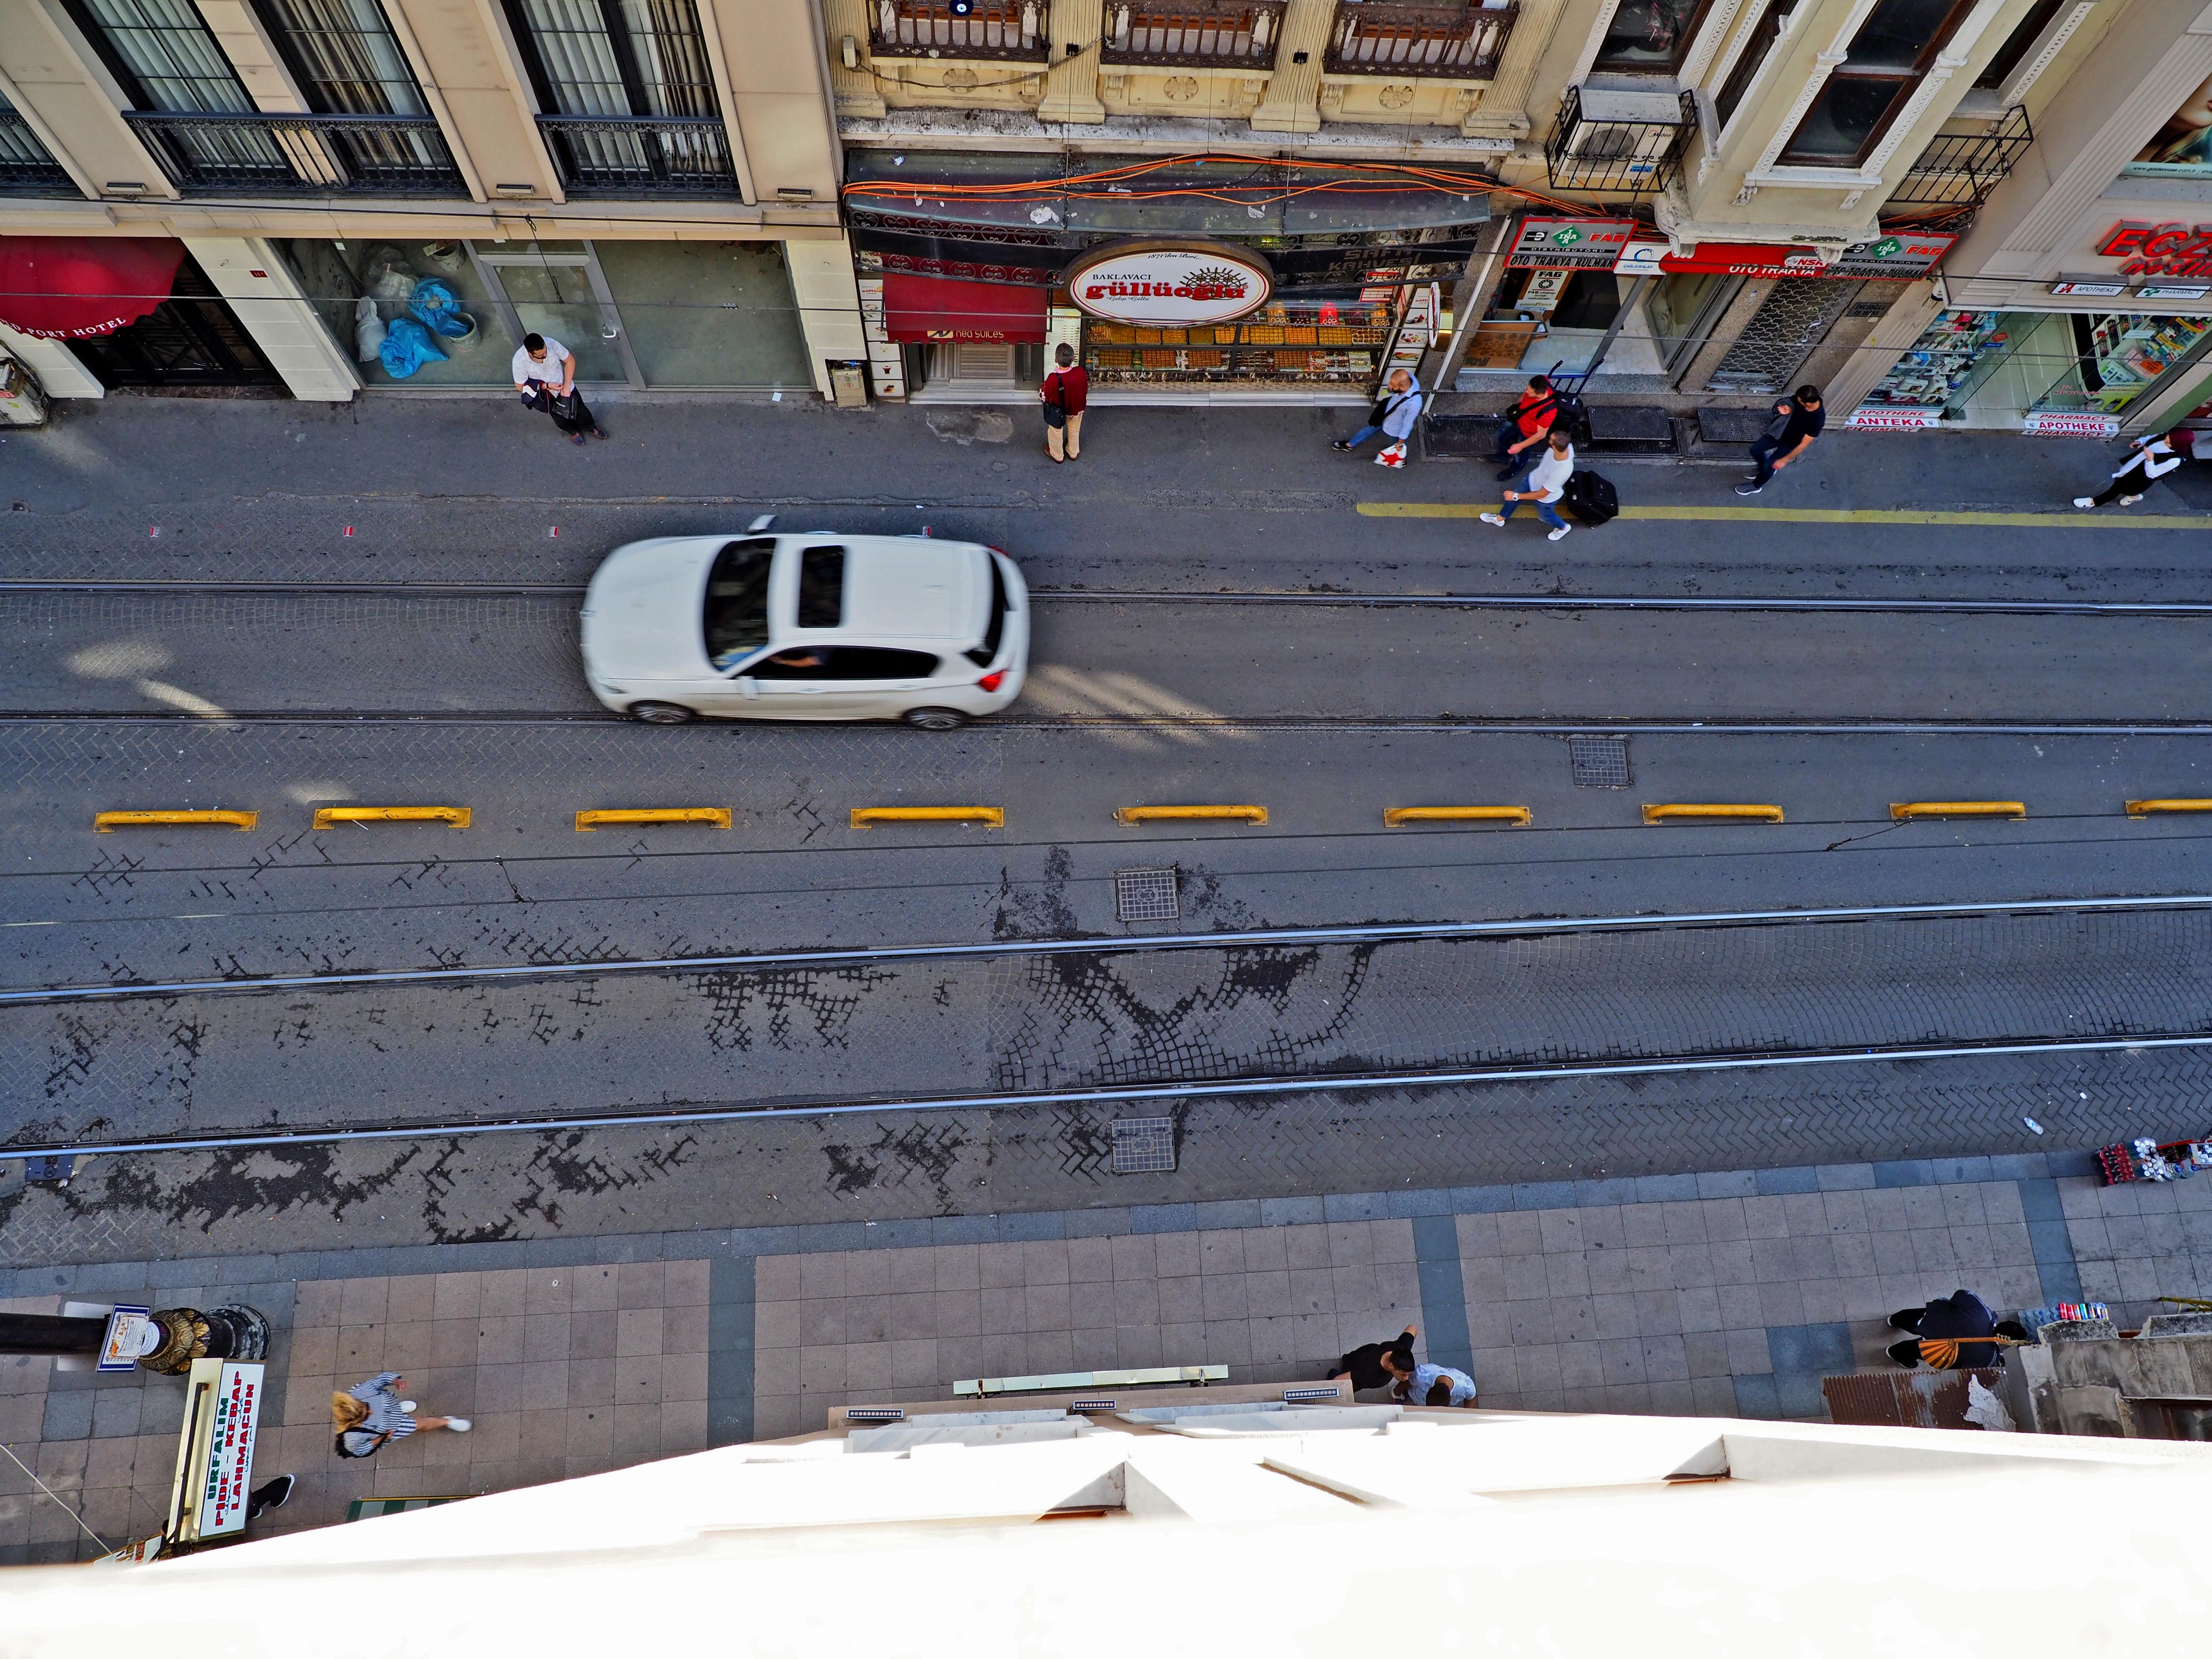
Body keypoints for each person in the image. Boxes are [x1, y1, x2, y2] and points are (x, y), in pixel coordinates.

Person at [333, 1371, 471, 1459]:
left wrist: (396, 1381)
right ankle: (447, 1422)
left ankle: (399, 1409)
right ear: (353, 1423)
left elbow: (380, 1380)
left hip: (389, 1407)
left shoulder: (362, 1392)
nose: (371, 1411)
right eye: (366, 1416)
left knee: (393, 1409)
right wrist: (381, 1439)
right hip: (391, 1428)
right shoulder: (352, 1436)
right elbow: (358, 1450)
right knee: (420, 1424)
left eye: (367, 1406)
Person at [1887, 1290, 2030, 1370]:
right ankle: (1893, 1353)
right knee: (1909, 1351)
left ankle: (1893, 1321)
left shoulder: (1983, 1312)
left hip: (1929, 1319)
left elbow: (1961, 1295)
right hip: (1934, 1349)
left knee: (1907, 1318)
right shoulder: (1988, 1358)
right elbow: (1962, 1368)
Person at [1480, 424, 1576, 541]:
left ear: (1554, 446)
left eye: (1550, 439)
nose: (1548, 438)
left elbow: (1542, 494)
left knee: (1545, 517)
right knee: (1513, 498)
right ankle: (1500, 519)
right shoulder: (1567, 447)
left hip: (1546, 499)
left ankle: (1563, 527)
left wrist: (1516, 496)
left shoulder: (1561, 471)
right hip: (1533, 479)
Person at [512, 332, 606, 446]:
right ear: (530, 353)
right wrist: (546, 386)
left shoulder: (551, 344)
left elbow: (570, 361)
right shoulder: (519, 361)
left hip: (566, 387)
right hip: (547, 396)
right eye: (541, 355)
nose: (545, 355)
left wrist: (566, 386)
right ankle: (573, 432)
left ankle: (591, 427)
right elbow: (520, 386)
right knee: (560, 419)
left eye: (545, 351)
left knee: (581, 411)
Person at [1738, 384, 1823, 495]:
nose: (1797, 401)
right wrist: (1787, 407)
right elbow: (1790, 402)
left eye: (1799, 401)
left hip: (1790, 444)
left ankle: (1756, 486)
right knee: (1755, 450)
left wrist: (1785, 459)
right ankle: (1764, 470)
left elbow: (1804, 444)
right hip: (1778, 434)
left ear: (1807, 404)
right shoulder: (1802, 399)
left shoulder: (1818, 420)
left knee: (1770, 465)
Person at [2074, 431, 2183, 508]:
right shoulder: (2164, 436)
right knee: (2126, 488)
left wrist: (2150, 460)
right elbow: (2151, 439)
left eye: (2168, 443)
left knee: (2117, 489)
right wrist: (2141, 442)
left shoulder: (2174, 460)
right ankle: (2134, 497)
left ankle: (2093, 502)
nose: (2165, 441)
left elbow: (2153, 474)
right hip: (2134, 466)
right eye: (2167, 439)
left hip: (2141, 477)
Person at [1332, 368, 1422, 456]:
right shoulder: (1408, 378)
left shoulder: (1414, 403)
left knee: (1397, 446)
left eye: (1393, 386)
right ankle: (1350, 445)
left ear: (1403, 387)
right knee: (1368, 430)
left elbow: (1408, 424)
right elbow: (1401, 375)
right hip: (1383, 417)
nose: (1390, 387)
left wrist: (1400, 443)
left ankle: (1400, 459)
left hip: (1395, 427)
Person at [1489, 374, 1561, 480]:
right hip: (1518, 419)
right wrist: (1521, 401)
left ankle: (1514, 470)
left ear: (1540, 395)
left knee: (1521, 456)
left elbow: (1541, 435)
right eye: (1527, 388)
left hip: (1528, 433)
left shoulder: (1549, 411)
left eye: (1529, 392)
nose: (1526, 391)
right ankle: (1504, 456)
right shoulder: (1542, 381)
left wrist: (1520, 446)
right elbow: (1526, 395)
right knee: (1500, 436)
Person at [1331, 1324, 1418, 1393]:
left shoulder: (1402, 1349)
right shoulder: (1369, 1374)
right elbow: (1338, 1380)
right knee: (1335, 1375)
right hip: (1353, 1369)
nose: (1407, 1378)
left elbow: (1412, 1328)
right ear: (1391, 1366)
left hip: (1363, 1353)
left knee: (1349, 1358)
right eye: (1403, 1375)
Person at [1042, 341, 1088, 463]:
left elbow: (1044, 394)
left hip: (1059, 410)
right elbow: (1085, 389)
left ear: (1056, 360)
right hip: (1077, 407)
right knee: (1074, 429)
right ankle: (1073, 452)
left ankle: (1057, 455)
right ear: (1073, 358)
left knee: (1055, 431)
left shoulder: (1053, 378)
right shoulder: (1081, 372)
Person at [1384, 1350, 1478, 1407]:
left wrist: (1467, 1414)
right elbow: (1408, 1382)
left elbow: (1471, 1398)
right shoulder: (1421, 1375)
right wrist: (1396, 1393)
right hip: (1414, 1394)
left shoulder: (1467, 1387)